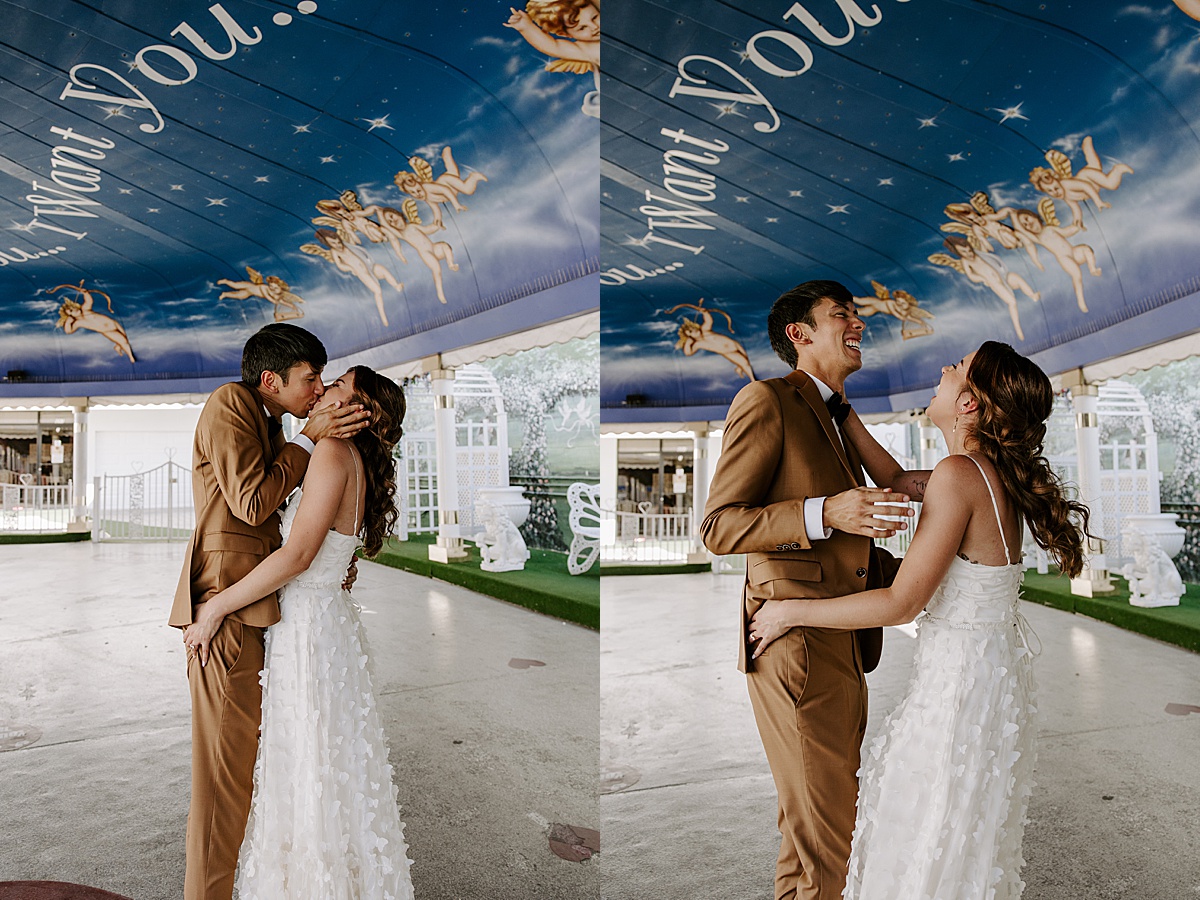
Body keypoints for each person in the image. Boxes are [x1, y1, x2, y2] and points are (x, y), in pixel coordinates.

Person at [749, 341, 1090, 899]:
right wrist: (840, 407)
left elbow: (900, 604)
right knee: (954, 832)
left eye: (959, 368)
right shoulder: (981, 472)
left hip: (960, 690)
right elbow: (897, 479)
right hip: (987, 678)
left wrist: (791, 611)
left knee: (928, 827)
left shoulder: (960, 474)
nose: (944, 368)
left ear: (969, 405)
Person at [700, 280, 920, 900]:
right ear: (800, 334)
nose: (857, 324)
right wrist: (826, 512)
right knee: (833, 833)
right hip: (794, 643)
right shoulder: (765, 400)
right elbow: (719, 527)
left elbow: (901, 485)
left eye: (856, 315)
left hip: (845, 639)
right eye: (840, 316)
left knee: (809, 828)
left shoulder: (837, 415)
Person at [183, 365, 414, 898]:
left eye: (336, 386)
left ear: (357, 411)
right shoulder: (346, 457)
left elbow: (297, 554)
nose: (324, 389)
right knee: (325, 766)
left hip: (308, 630)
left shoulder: (332, 453)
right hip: (321, 621)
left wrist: (216, 609)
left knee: (310, 767)